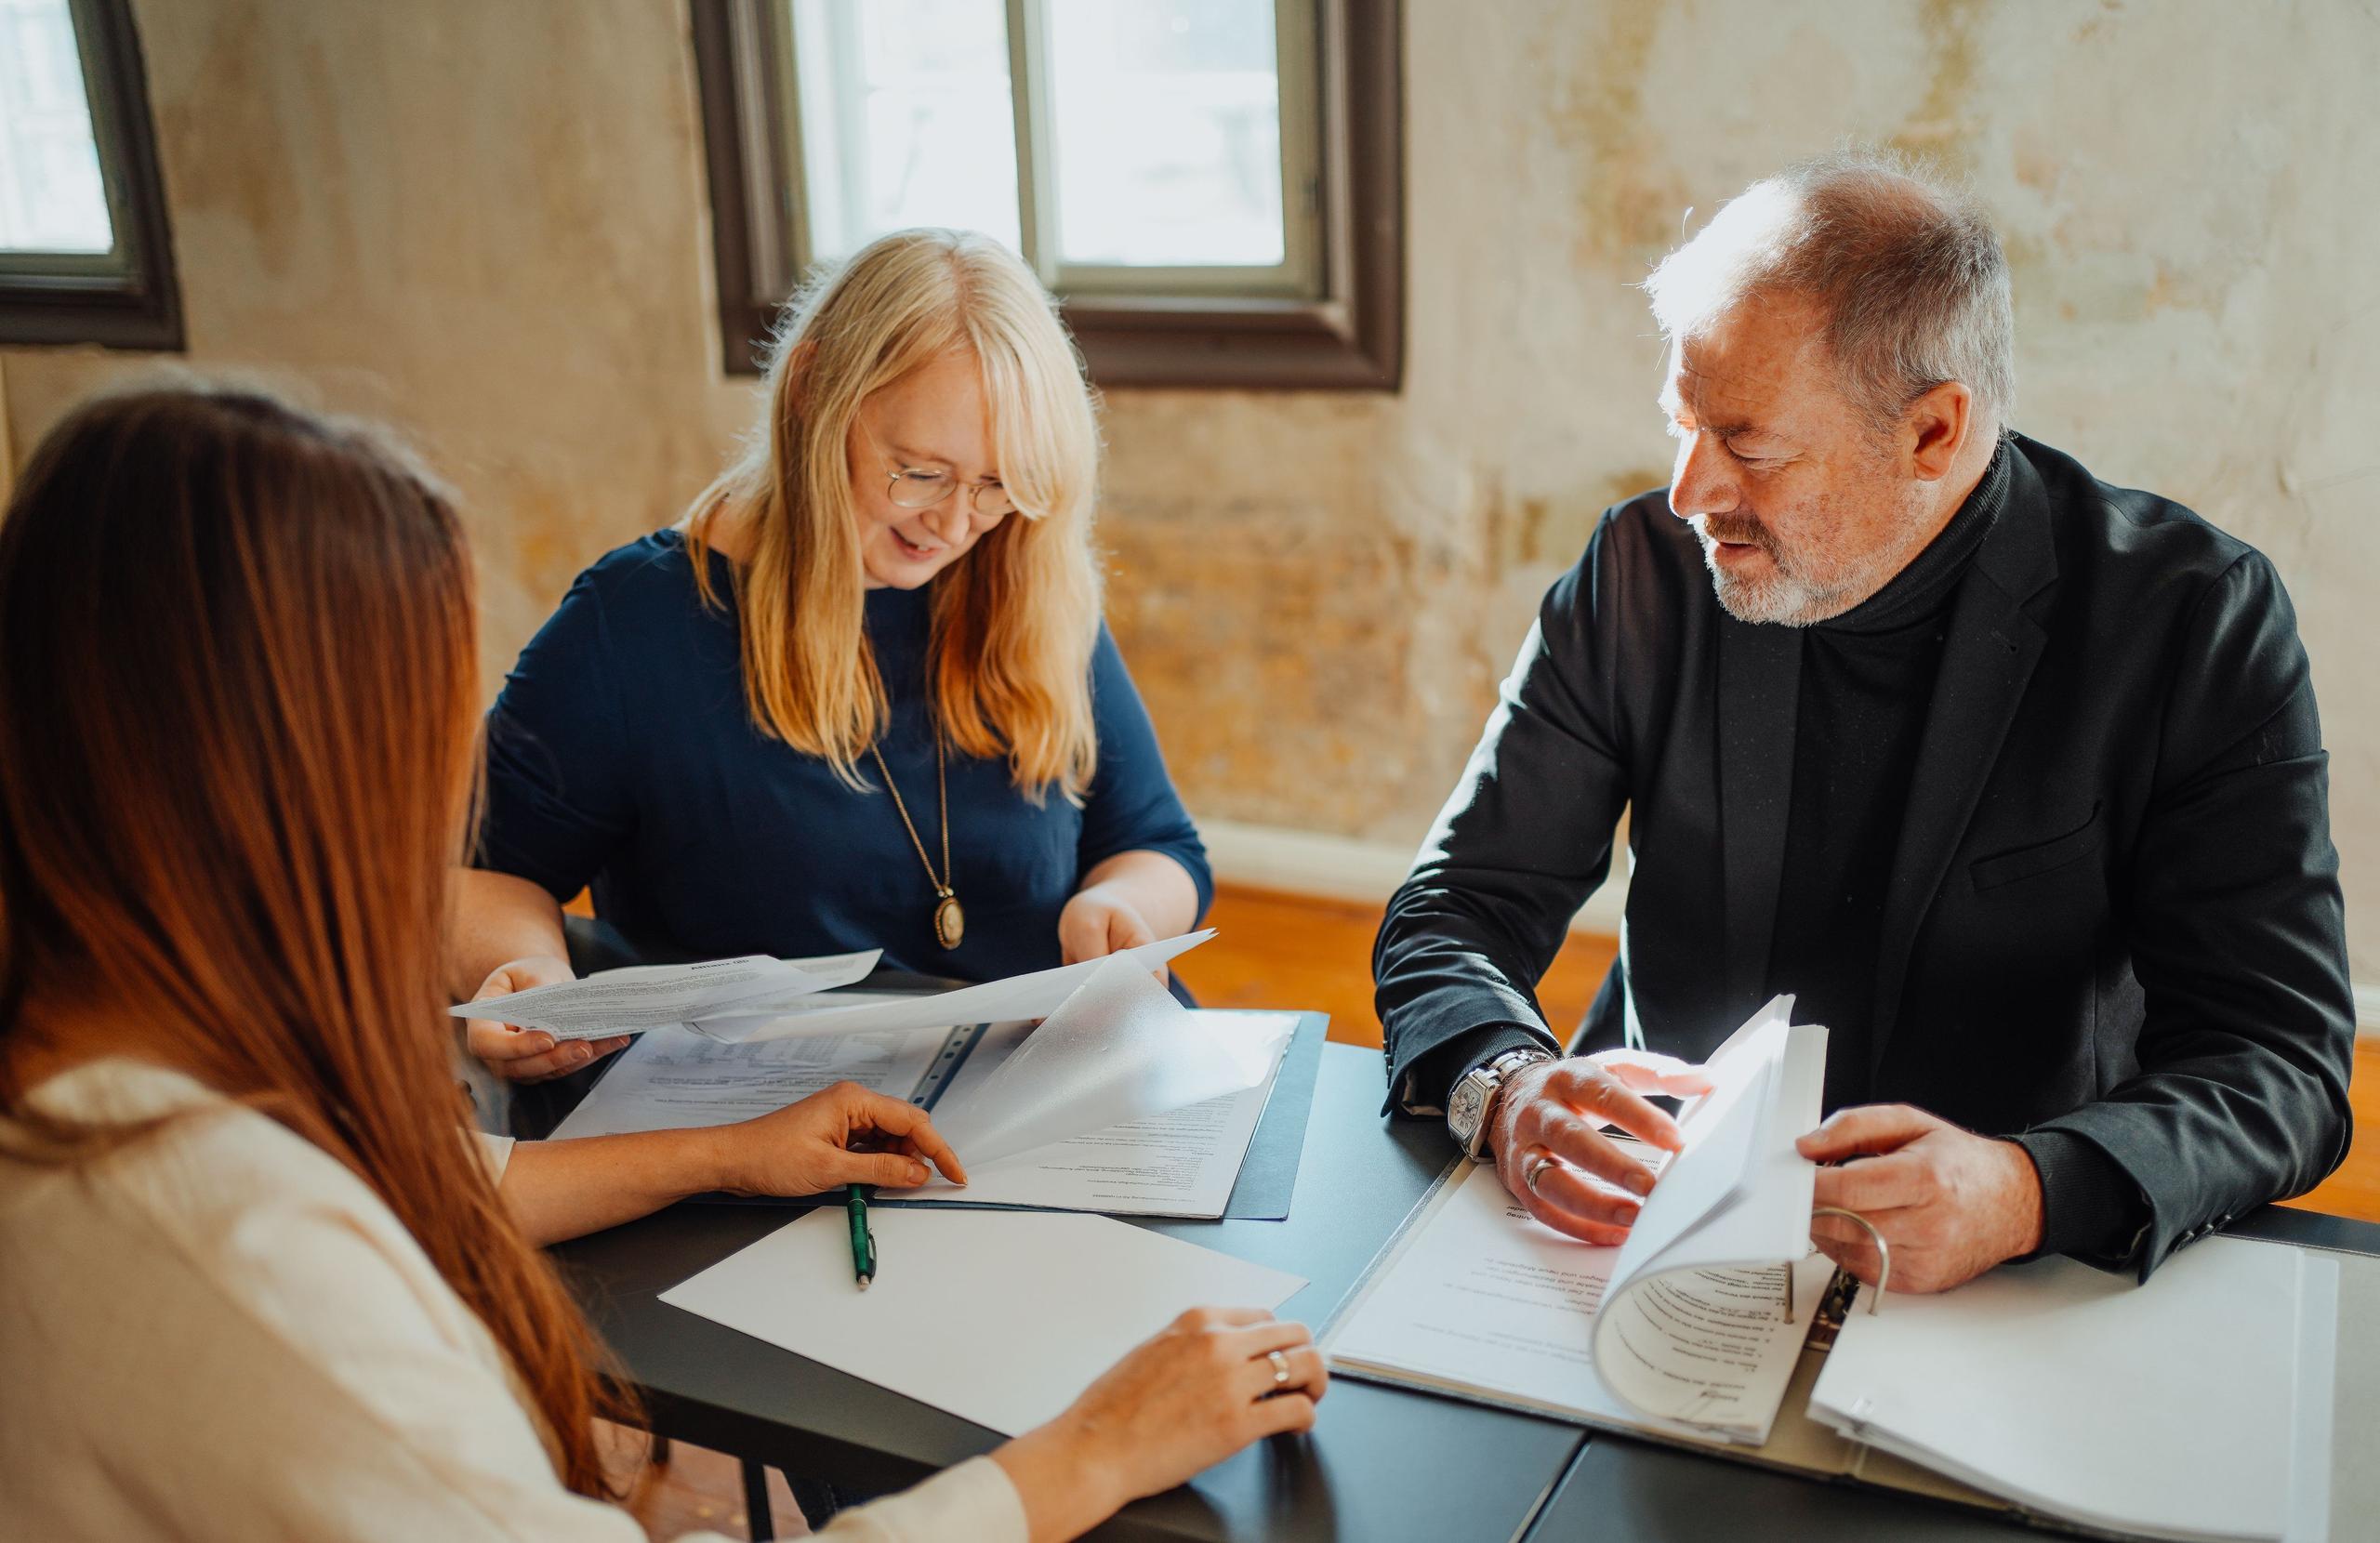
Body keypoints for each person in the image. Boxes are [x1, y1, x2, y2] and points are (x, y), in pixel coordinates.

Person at [0, 386, 1324, 1542]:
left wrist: (727, 1151)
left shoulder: (116, 1089)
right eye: (423, 751)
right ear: (294, 789)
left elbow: (437, 1178)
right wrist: (1084, 1458)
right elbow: (487, 902)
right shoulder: (238, 1258)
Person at [1373, 151, 2354, 1294]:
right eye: (1678, 422)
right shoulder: (1642, 572)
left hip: (2003, 1272)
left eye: (1748, 444)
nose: (1690, 491)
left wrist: (2029, 1189)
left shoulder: (2188, 619)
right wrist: (1503, 1083)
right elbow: (1457, 905)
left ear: (1933, 433)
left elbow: (2277, 1056)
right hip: (1641, 1231)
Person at [456, 229, 1209, 1085]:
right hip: (769, 1127)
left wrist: (1121, 909)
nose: (957, 525)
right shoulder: (637, 623)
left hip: (1052, 1088)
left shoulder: (1025, 578)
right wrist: (533, 981)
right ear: (814, 390)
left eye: (999, 485)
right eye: (920, 472)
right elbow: (484, 874)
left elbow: (1156, 842)